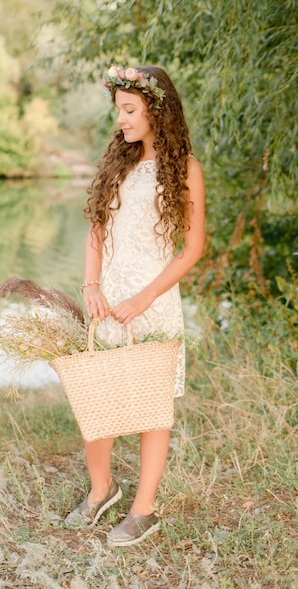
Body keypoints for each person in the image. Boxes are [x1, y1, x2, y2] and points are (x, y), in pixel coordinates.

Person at [65, 65, 205, 546]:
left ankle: (144, 510)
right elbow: (96, 231)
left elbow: (192, 249)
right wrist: (90, 286)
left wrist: (145, 296)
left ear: (156, 110)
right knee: (97, 397)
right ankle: (102, 490)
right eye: (118, 110)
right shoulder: (116, 164)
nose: (121, 119)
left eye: (129, 110)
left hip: (154, 299)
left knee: (151, 409)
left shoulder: (184, 168)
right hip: (107, 301)